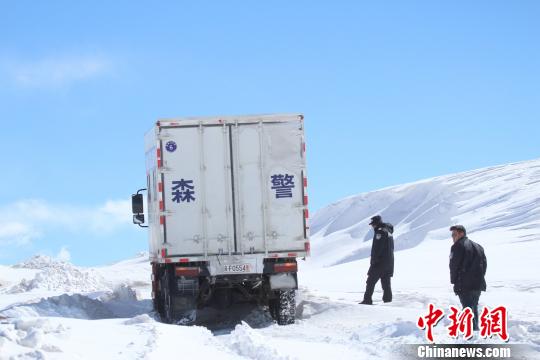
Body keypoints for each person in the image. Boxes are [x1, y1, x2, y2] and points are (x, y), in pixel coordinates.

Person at [449, 225, 487, 331]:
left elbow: (454, 266)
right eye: (452, 235)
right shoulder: (479, 246)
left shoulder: (457, 246)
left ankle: (472, 336)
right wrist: (479, 277)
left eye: (454, 234)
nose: (452, 237)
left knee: (468, 310)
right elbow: (484, 265)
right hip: (478, 284)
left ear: (461, 234)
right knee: (473, 308)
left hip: (464, 285)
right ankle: (475, 333)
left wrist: (454, 281)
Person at [360, 215, 394, 305]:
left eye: (373, 224)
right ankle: (388, 302)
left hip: (380, 262)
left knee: (370, 281)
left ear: (377, 224)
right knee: (386, 283)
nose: (372, 226)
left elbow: (377, 248)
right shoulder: (388, 231)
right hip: (389, 263)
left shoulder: (380, 232)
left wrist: (374, 261)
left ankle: (367, 300)